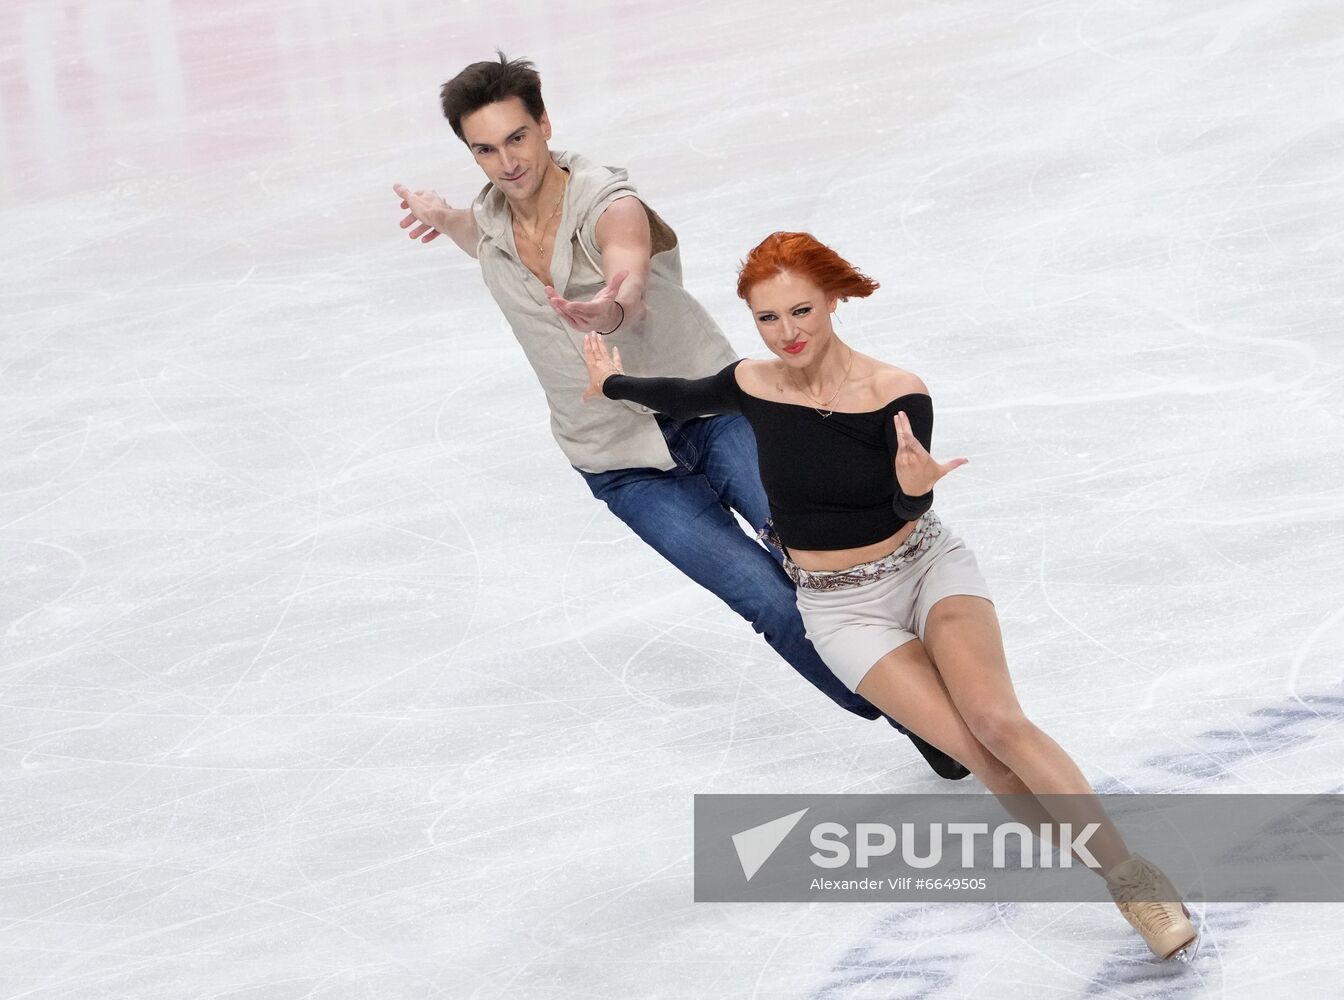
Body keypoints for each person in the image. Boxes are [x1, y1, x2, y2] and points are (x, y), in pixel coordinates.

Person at [582, 230, 1199, 962]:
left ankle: (1136, 883)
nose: (788, 334)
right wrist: (611, 385)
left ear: (835, 299)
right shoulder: (753, 383)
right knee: (979, 755)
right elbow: (684, 394)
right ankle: (1114, 875)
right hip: (840, 609)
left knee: (999, 721)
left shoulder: (896, 393)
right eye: (768, 320)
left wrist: (911, 492)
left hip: (925, 567)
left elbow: (903, 511)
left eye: (802, 311)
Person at [391, 52, 967, 779]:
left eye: (516, 138)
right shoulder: (492, 218)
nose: (506, 161)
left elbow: (625, 263)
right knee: (768, 601)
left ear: (544, 125)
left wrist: (609, 306)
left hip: (711, 414)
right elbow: (489, 239)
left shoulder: (607, 198)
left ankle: (948, 680)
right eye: (484, 148)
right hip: (621, 466)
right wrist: (444, 217)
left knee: (823, 562)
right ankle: (917, 715)